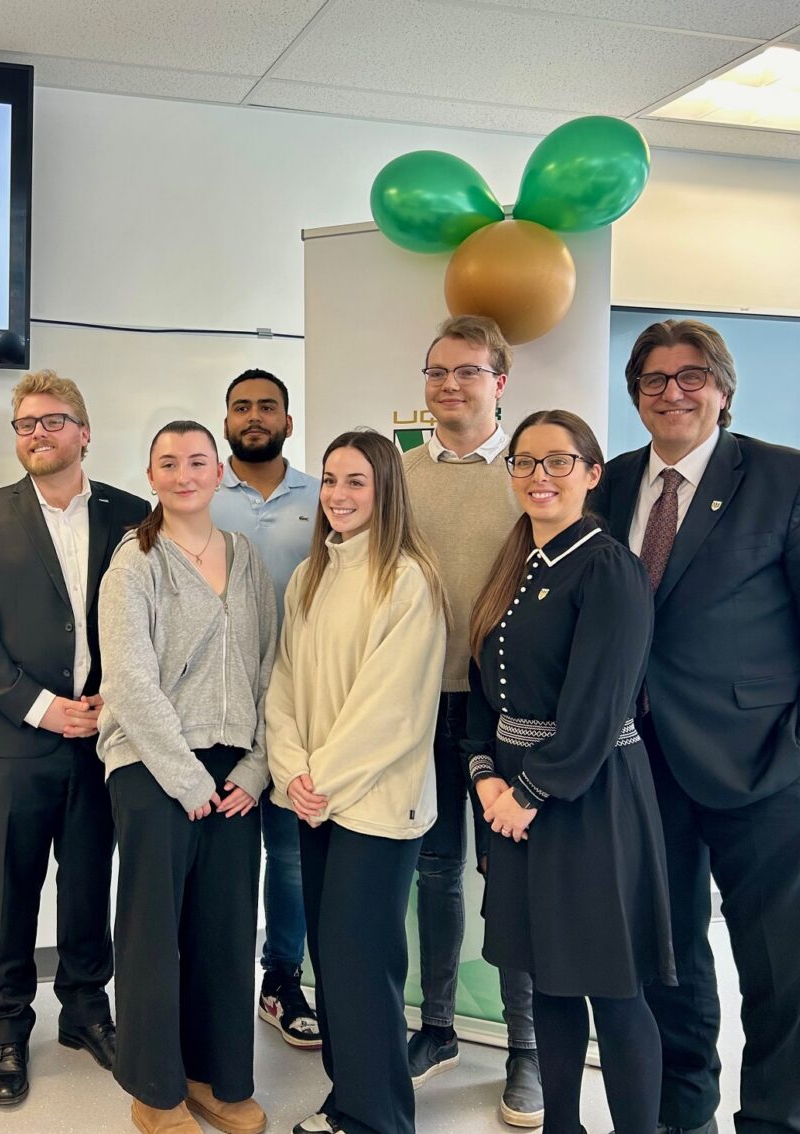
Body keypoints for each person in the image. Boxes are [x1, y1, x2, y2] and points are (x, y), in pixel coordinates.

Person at [591, 319, 800, 1134]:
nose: (672, 393)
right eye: (653, 380)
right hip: (642, 768)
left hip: (766, 765)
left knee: (779, 974)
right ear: (636, 396)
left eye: (691, 377)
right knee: (669, 964)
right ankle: (685, 1118)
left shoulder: (789, 478)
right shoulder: (611, 484)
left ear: (722, 389)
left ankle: (780, 1125)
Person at [464, 409, 675, 1134]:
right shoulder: (515, 563)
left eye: (558, 461)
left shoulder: (608, 567)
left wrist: (527, 792)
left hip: (591, 801)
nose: (539, 476)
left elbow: (599, 707)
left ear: (591, 474)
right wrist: (486, 777)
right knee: (547, 981)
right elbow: (482, 687)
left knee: (613, 991)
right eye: (525, 462)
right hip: (514, 801)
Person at [0, 369, 150, 1107]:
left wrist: (111, 700)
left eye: (52, 421)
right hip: (11, 739)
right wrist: (40, 708)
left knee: (90, 879)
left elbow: (149, 620)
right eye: (25, 424)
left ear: (83, 432)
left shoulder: (132, 515)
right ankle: (7, 1028)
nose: (37, 433)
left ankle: (86, 1011)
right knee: (12, 889)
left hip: (103, 738)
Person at [98, 420, 277, 1134]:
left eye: (197, 461)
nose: (184, 475)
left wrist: (257, 768)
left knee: (226, 932)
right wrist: (186, 779)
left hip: (236, 769)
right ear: (151, 476)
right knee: (153, 934)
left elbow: (270, 666)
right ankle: (154, 1088)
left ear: (218, 472)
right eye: (168, 463)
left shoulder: (246, 557)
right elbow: (128, 683)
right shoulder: (135, 561)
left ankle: (215, 1075)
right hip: (152, 765)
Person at [267, 429, 448, 1134]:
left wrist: (322, 779)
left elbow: (392, 708)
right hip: (316, 800)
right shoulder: (312, 576)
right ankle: (349, 1100)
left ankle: (379, 1118)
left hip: (375, 804)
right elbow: (283, 683)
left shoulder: (407, 579)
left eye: (356, 482)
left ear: (385, 491)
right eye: (330, 480)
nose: (337, 496)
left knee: (362, 963)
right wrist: (293, 771)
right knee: (332, 958)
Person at [401, 315, 542, 1125]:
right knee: (434, 872)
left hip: (503, 709)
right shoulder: (399, 475)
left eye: (467, 371)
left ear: (500, 383)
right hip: (420, 701)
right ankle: (439, 1029)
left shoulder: (528, 475)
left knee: (510, 878)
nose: (449, 385)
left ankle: (526, 1046)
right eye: (437, 372)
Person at [207, 368, 322, 1051]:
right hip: (216, 705)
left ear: (287, 420)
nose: (254, 416)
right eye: (241, 407)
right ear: (225, 421)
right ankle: (217, 981)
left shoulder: (321, 496)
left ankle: (281, 980)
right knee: (223, 854)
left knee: (290, 855)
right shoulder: (200, 493)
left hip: (297, 702)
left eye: (267, 407)